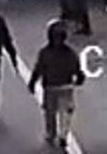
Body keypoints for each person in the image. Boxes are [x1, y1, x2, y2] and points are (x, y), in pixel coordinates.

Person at [27, 19, 87, 150]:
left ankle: (54, 133)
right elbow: (76, 68)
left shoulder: (45, 52)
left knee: (52, 112)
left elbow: (39, 69)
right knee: (63, 112)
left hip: (52, 86)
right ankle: (61, 134)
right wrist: (80, 77)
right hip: (63, 86)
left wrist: (32, 82)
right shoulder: (69, 53)